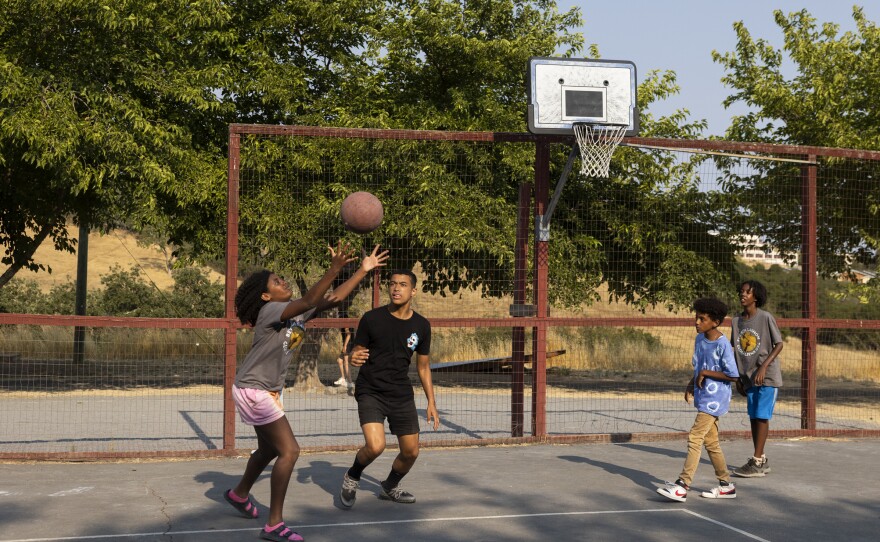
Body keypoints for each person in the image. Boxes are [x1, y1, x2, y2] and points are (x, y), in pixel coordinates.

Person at [225, 242, 389, 542]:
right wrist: (335, 267)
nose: (283, 281)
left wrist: (363, 270)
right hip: (255, 389)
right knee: (290, 451)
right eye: (276, 281)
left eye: (282, 278)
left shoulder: (296, 313)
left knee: (268, 450)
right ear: (265, 295)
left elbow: (333, 297)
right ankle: (274, 524)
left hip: (263, 390)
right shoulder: (270, 311)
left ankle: (239, 494)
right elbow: (312, 296)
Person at [339, 269, 439, 508]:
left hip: (401, 393)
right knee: (375, 446)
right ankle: (353, 475)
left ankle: (389, 486)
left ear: (413, 290)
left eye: (403, 285)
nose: (396, 288)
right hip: (371, 389)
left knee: (411, 452)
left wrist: (431, 402)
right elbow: (357, 351)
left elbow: (423, 368)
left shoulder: (421, 326)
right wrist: (353, 356)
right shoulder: (371, 318)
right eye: (393, 284)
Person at [657, 298, 739, 502]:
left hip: (715, 400)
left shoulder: (722, 345)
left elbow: (733, 375)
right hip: (704, 396)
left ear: (716, 322)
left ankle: (683, 485)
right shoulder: (700, 339)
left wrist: (704, 372)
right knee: (711, 442)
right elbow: (700, 366)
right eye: (696, 318)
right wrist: (691, 383)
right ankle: (726, 485)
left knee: (695, 436)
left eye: (702, 319)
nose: (696, 322)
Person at [731, 279, 784, 478]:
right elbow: (734, 349)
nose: (742, 295)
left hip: (766, 376)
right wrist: (737, 377)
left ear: (756, 296)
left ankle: (757, 460)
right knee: (754, 417)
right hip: (748, 377)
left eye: (747, 292)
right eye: (741, 291)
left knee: (762, 415)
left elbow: (779, 344)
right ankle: (760, 459)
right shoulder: (736, 321)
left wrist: (763, 367)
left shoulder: (765, 317)